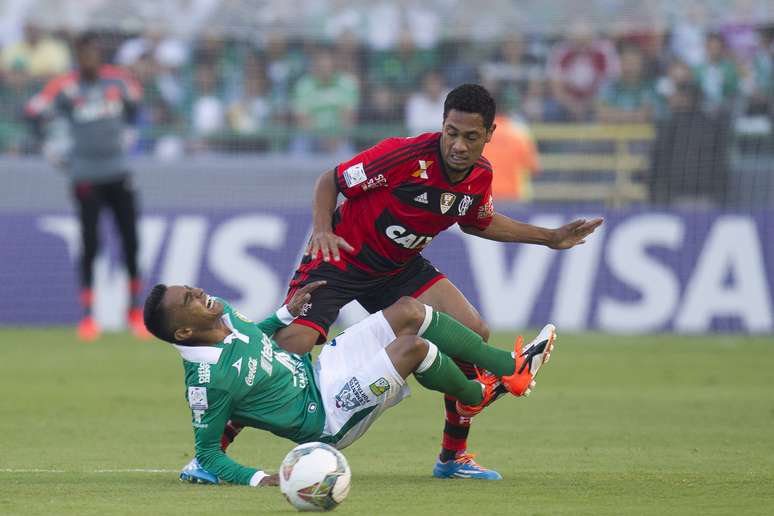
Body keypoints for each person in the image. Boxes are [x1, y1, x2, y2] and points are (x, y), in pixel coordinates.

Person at [201, 83, 601, 481]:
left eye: (471, 136)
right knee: (288, 351)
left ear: (489, 135)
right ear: (442, 126)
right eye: (452, 133)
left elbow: (477, 220)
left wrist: (549, 237)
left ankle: (453, 456)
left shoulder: (479, 176)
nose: (458, 145)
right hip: (341, 258)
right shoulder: (404, 156)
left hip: (397, 268)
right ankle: (212, 452)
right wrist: (322, 229)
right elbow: (330, 181)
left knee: (473, 330)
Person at [142, 281, 557, 486]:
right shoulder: (206, 381)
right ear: (182, 334)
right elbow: (207, 456)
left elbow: (256, 333)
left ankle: (511, 365)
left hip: (322, 371)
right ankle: (476, 395)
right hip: (328, 417)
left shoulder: (225, 315)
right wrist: (260, 478)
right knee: (411, 348)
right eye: (188, 301)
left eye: (190, 289)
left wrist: (285, 314)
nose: (198, 292)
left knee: (411, 310)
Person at [25, 32, 146, 341]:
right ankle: (89, 318)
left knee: (131, 242)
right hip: (86, 176)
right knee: (90, 243)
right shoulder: (65, 87)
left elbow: (136, 107)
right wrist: (50, 145)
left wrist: (129, 132)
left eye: (92, 53)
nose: (88, 59)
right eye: (83, 55)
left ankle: (134, 313)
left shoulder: (118, 82)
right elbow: (32, 112)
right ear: (77, 57)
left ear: (99, 55)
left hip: (118, 172)